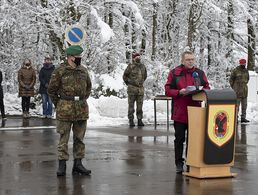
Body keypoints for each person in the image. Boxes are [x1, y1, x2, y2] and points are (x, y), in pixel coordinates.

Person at [48, 45, 92, 176]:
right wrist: (61, 103)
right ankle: (62, 165)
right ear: (70, 57)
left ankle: (78, 164)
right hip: (65, 110)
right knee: (63, 139)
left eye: (80, 56)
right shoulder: (60, 71)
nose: (79, 59)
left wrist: (81, 100)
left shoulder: (83, 71)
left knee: (80, 139)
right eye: (77, 57)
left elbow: (88, 88)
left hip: (81, 110)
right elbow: (51, 90)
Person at [164, 51, 210, 174]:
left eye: (192, 59)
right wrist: (179, 92)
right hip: (180, 112)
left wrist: (201, 90)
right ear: (183, 61)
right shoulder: (175, 73)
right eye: (188, 59)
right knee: (179, 139)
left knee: (193, 139)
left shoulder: (199, 73)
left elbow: (207, 88)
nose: (190, 61)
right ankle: (179, 163)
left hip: (196, 112)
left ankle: (191, 162)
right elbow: (167, 90)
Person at [123, 53, 147, 127]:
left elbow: (145, 76)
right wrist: (130, 83)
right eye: (136, 57)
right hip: (132, 90)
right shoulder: (130, 66)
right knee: (131, 106)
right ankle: (131, 120)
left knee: (140, 106)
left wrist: (140, 83)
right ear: (133, 58)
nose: (138, 58)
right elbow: (124, 76)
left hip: (140, 90)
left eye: (139, 56)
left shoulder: (143, 67)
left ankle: (140, 120)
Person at [229, 58, 250, 123]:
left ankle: (243, 118)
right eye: (242, 63)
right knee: (236, 106)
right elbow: (231, 80)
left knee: (244, 106)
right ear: (240, 63)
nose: (243, 64)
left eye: (244, 63)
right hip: (237, 92)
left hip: (244, 92)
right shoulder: (235, 70)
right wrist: (234, 87)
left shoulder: (246, 71)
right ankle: (235, 118)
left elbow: (248, 79)